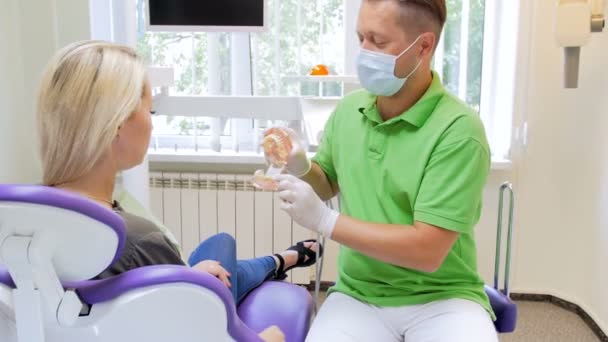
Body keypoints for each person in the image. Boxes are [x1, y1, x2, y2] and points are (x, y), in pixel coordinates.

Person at [36, 40, 322, 342]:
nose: (151, 123)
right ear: (117, 123)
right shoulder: (138, 241)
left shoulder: (24, 225)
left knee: (219, 253)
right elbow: (200, 332)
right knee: (225, 259)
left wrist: (187, 276)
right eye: (151, 110)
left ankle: (280, 260)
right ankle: (281, 260)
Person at [272, 0, 498, 341]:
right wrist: (300, 165)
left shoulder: (459, 131)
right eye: (360, 37)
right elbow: (326, 184)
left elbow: (427, 251)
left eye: (378, 42)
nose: (363, 52)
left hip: (443, 298)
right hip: (358, 295)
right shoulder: (349, 110)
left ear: (423, 46)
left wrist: (325, 221)